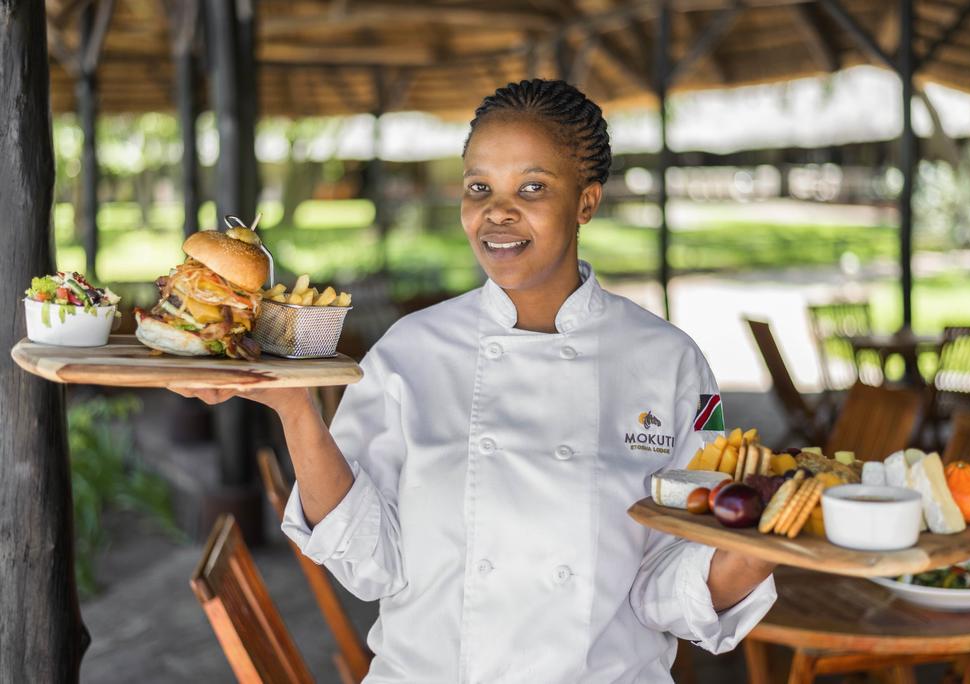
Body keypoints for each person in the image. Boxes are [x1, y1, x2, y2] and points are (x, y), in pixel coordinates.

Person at [176, 79, 776, 683]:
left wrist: (761, 550)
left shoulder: (674, 363)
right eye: (479, 188)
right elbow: (371, 561)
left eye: (533, 188)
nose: (497, 212)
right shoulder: (410, 350)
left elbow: (670, 582)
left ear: (586, 203)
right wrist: (297, 411)